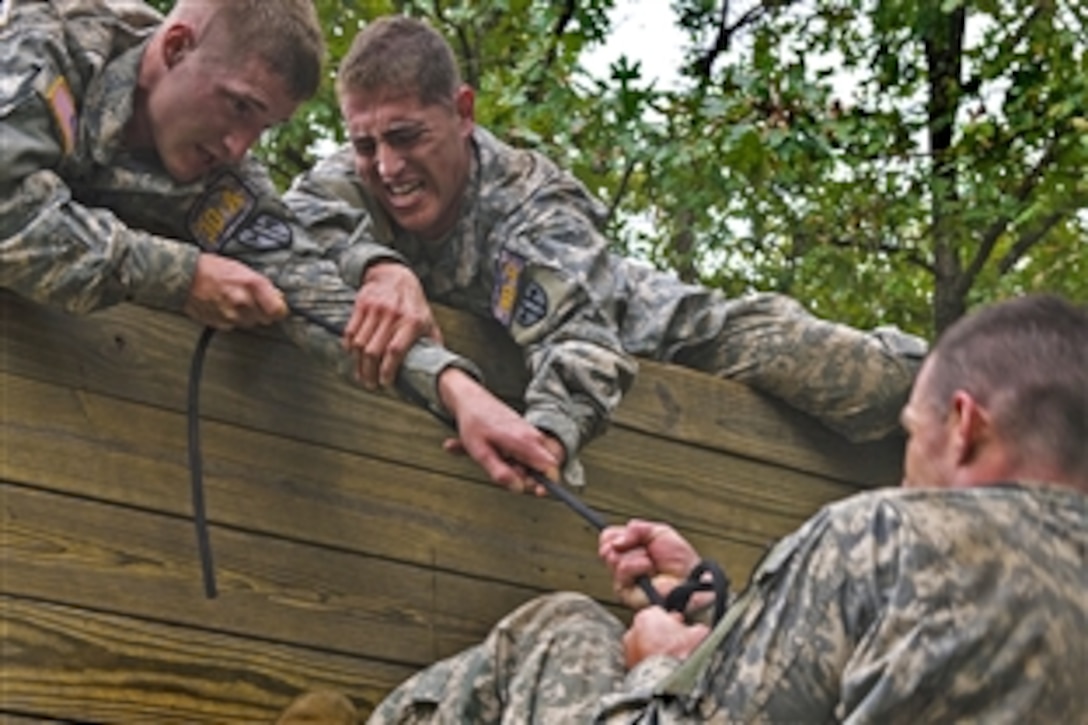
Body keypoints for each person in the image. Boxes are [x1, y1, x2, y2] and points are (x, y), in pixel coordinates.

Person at [277, 292, 1088, 723]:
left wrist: (660, 661)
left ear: (965, 424)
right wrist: (723, 620)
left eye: (911, 433)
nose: (910, 467)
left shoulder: (884, 538)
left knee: (562, 629)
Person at [284, 15, 928, 488]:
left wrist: (551, 428)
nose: (387, 167)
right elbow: (291, 226)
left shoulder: (534, 201)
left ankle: (958, 381)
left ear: (462, 113)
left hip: (654, 330)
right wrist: (380, 268)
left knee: (844, 374)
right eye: (367, 145)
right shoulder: (349, 178)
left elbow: (583, 339)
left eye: (406, 137)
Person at [0, 0, 562, 489]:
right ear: (176, 47)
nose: (238, 146)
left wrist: (459, 392)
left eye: (263, 127)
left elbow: (312, 294)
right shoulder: (50, 43)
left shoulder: (223, 182)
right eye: (239, 106)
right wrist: (183, 275)